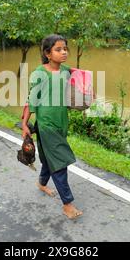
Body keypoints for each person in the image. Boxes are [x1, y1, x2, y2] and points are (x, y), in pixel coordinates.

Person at [21, 34, 83, 219]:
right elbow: (31, 100)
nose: (63, 52)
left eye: (65, 49)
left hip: (61, 123)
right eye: (58, 49)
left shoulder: (66, 71)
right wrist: (24, 123)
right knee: (59, 163)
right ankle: (67, 204)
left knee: (49, 158)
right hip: (46, 124)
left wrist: (88, 93)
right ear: (48, 53)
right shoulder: (39, 74)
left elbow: (81, 85)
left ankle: (41, 183)